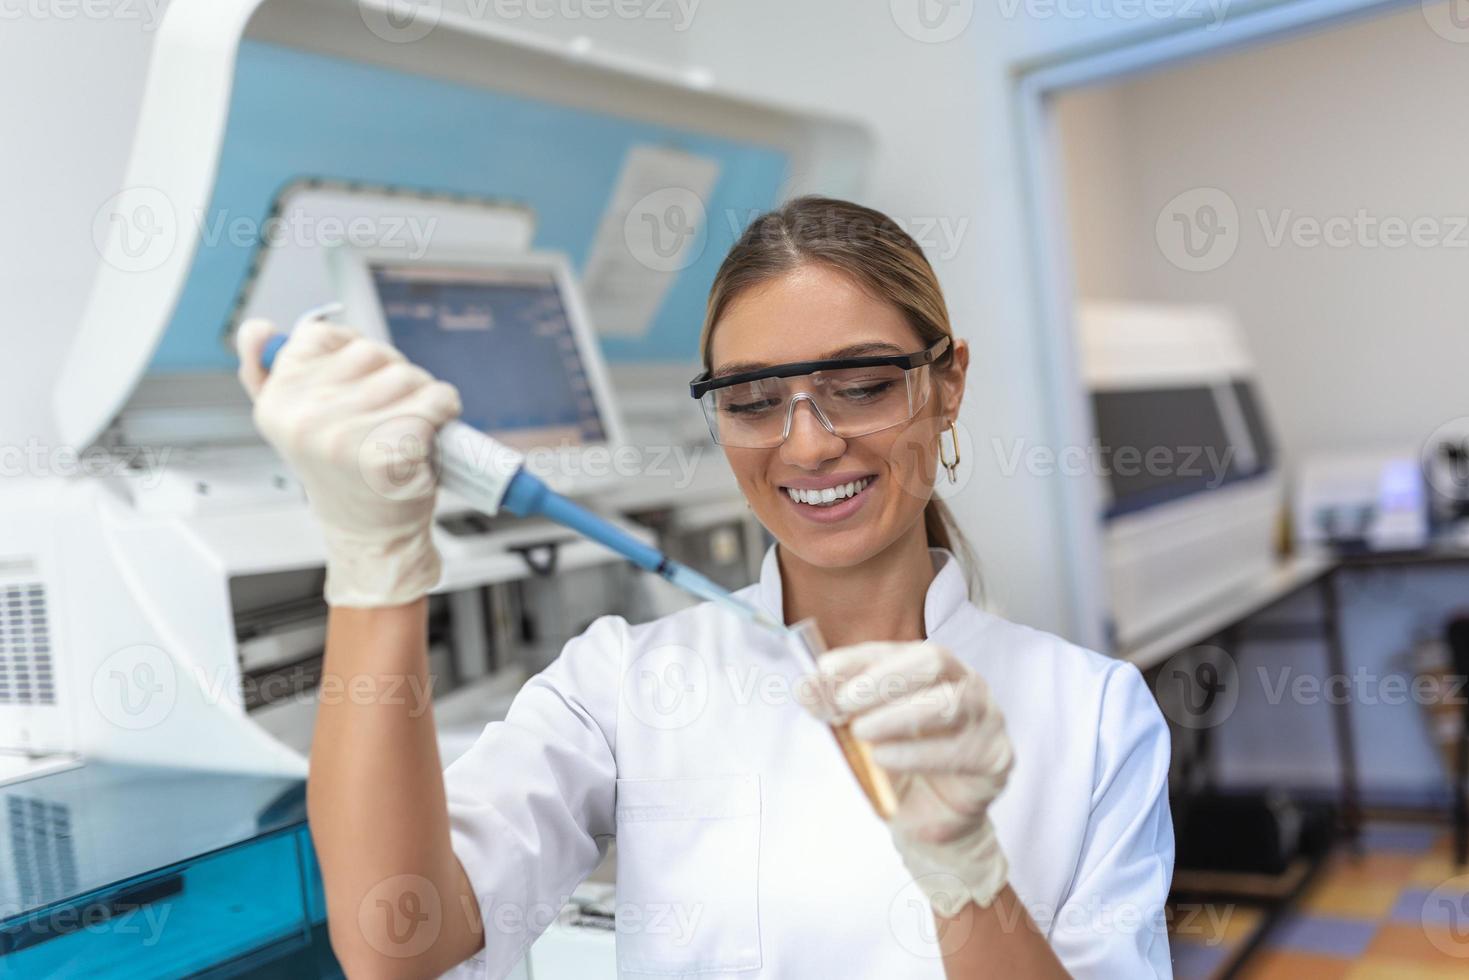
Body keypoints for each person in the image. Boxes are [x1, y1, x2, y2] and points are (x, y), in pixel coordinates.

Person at [236, 197, 1173, 979]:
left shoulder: (1090, 714)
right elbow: (392, 940)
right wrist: (373, 566)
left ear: (948, 383)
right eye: (755, 401)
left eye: (862, 385)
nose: (807, 445)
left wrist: (969, 875)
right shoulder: (621, 684)